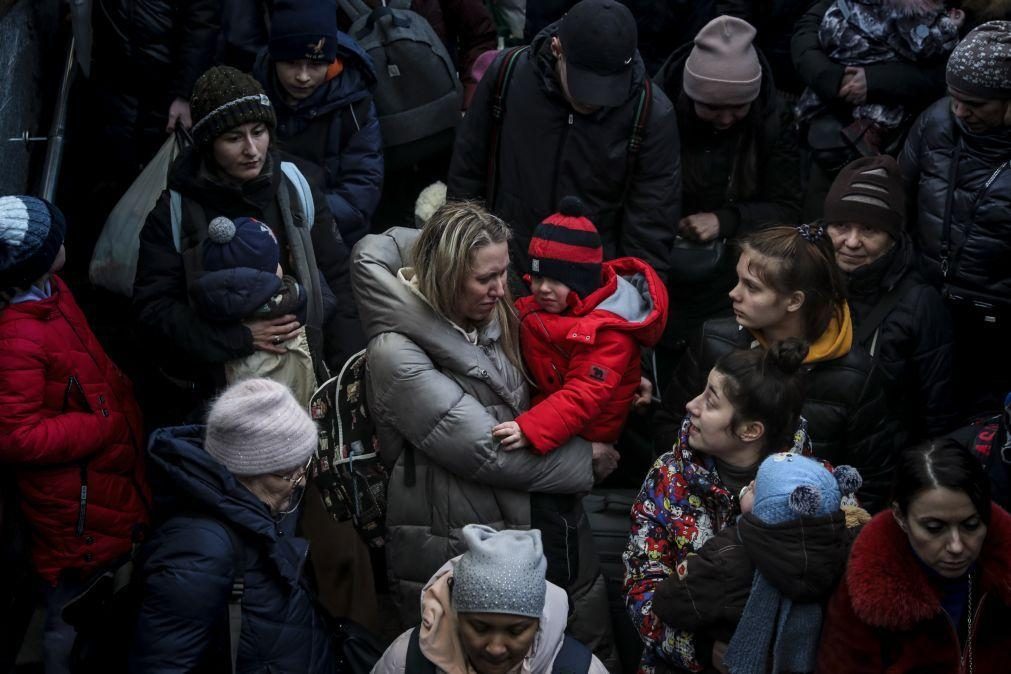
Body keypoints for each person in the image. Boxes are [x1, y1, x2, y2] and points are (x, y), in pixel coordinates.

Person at [352, 201, 619, 667]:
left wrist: (613, 381)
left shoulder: (492, 316)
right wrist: (585, 460)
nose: (503, 290)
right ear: (445, 275)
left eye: (504, 274)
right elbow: (486, 451)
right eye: (484, 279)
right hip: (454, 530)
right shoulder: (395, 353)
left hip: (532, 510)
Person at [133, 65, 357, 426]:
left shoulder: (296, 189)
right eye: (233, 138)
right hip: (221, 397)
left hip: (308, 380)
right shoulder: (174, 212)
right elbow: (154, 310)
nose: (252, 150)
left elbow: (337, 277)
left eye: (258, 132)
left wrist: (344, 376)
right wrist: (237, 338)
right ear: (208, 144)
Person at [0, 196, 150, 674]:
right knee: (70, 601)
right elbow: (16, 436)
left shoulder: (53, 293)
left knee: (101, 587)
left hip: (101, 470)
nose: (66, 238)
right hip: (74, 500)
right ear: (34, 262)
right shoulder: (18, 337)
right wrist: (100, 425)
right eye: (55, 238)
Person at [655, 225, 897, 510]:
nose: (734, 293)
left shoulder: (854, 376)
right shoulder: (715, 341)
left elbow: (871, 481)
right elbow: (669, 426)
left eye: (752, 287)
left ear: (794, 301)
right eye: (738, 280)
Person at [448, 0, 680, 282]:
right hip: (506, 272)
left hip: (593, 288)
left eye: (608, 90)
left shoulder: (651, 112)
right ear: (557, 49)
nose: (594, 102)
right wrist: (463, 258)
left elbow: (650, 226)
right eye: (585, 88)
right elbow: (467, 173)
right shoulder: (507, 76)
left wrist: (633, 301)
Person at [624, 339, 812, 673]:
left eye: (710, 402)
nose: (690, 406)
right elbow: (642, 581)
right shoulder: (669, 476)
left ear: (750, 430)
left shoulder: (811, 491)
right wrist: (701, 650)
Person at [129, 378, 335, 670]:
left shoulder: (255, 511)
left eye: (304, 466)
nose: (298, 482)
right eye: (287, 474)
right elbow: (163, 665)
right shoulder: (197, 552)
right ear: (247, 471)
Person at [653, 15, 801, 349]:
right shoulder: (656, 114)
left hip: (732, 272)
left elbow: (787, 208)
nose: (725, 118)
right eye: (712, 107)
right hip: (661, 261)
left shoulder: (772, 123)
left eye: (738, 108)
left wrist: (725, 220)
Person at [651, 453, 863, 674]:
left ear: (768, 513)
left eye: (756, 488)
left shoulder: (727, 554)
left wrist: (661, 598)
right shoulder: (846, 550)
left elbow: (682, 596)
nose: (750, 484)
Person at [491, 197, 668, 454]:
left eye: (555, 280)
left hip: (584, 433)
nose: (542, 289)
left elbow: (582, 396)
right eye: (538, 277)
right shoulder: (542, 306)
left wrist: (530, 428)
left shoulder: (609, 332)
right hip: (551, 414)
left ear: (582, 282)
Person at [817, 439, 1011, 672]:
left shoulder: (1002, 582)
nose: (957, 546)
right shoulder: (863, 595)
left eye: (971, 525)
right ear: (900, 516)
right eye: (934, 528)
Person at [899, 20, 1011, 418]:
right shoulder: (936, 122)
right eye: (954, 98)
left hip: (997, 329)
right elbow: (903, 195)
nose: (961, 111)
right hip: (930, 305)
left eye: (976, 104)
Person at [824, 156, 956, 441]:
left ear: (894, 237)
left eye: (869, 229)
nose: (852, 241)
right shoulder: (804, 281)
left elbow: (937, 408)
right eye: (841, 226)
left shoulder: (919, 304)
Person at [373, 524, 609, 673]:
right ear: (455, 612)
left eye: (516, 631)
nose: (496, 648)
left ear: (540, 622)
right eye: (480, 627)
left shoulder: (580, 669)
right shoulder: (406, 661)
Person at [791, 0, 948, 218]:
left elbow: (949, 74)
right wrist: (831, 77)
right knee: (824, 221)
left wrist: (874, 81)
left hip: (906, 135)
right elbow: (808, 27)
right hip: (832, 123)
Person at [253, 0, 384, 248]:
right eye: (291, 63)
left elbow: (360, 193)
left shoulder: (355, 103)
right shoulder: (256, 95)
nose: (302, 76)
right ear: (275, 58)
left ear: (330, 60)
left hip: (336, 237)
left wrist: (297, 217)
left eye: (315, 64)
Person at [191, 216, 338, 408]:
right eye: (276, 262)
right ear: (266, 274)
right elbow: (327, 302)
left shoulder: (210, 317)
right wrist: (306, 267)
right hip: (299, 410)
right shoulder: (291, 304)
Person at [793, 0, 962, 156]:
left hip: (841, 52)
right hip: (861, 68)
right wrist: (950, 26)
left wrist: (871, 80)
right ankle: (871, 129)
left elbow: (942, 76)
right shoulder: (910, 8)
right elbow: (925, 44)